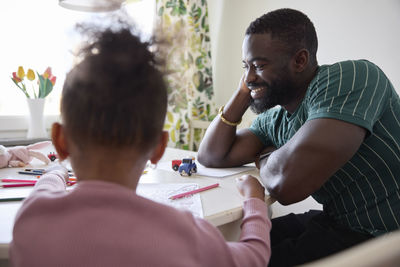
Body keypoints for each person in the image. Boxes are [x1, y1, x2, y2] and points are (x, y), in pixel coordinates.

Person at [9, 20, 271, 267]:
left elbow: (45, 188)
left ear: (60, 142)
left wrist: (56, 174)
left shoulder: (31, 218)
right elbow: (253, 257)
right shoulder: (181, 233)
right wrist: (254, 201)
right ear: (159, 148)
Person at [197, 8, 400, 267]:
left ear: (300, 61)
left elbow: (287, 185)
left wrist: (266, 157)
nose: (248, 77)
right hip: (339, 224)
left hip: (384, 237)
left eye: (259, 65)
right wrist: (242, 93)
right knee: (226, 248)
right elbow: (212, 155)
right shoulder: (278, 118)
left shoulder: (350, 80)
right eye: (245, 66)